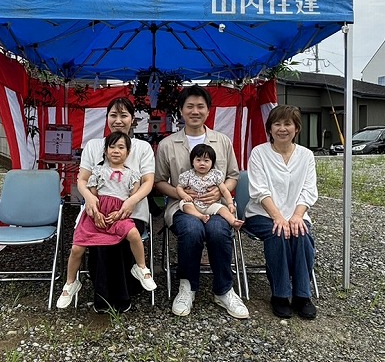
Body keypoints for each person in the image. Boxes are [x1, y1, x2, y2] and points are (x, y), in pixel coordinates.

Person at [154, 85, 249, 319]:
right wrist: (182, 195)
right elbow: (159, 182)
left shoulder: (222, 141)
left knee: (218, 230)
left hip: (216, 206)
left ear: (208, 110)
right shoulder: (168, 144)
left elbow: (233, 175)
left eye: (200, 106)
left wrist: (220, 193)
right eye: (190, 106)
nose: (195, 111)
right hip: (182, 206)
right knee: (192, 229)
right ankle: (187, 286)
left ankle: (224, 289)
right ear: (181, 110)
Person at [57, 132, 156, 309]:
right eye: (112, 147)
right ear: (105, 150)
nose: (116, 151)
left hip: (119, 214)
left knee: (133, 233)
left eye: (121, 147)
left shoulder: (132, 174)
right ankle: (70, 284)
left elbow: (132, 199)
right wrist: (96, 213)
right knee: (77, 247)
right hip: (99, 214)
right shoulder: (98, 171)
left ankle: (141, 268)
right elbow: (92, 196)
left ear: (128, 152)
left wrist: (122, 212)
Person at [77, 96, 155, 313]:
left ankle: (122, 295)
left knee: (119, 238)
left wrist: (130, 202)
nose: (118, 120)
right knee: (101, 239)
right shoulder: (94, 146)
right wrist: (90, 199)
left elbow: (148, 182)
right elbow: (82, 180)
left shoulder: (142, 147)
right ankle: (103, 297)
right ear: (107, 118)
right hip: (97, 211)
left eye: (124, 115)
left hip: (134, 211)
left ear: (133, 120)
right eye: (113, 115)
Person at [243, 105, 318, 320]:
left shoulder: (306, 155)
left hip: (296, 213)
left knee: (301, 233)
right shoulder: (259, 153)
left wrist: (295, 216)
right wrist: (278, 217)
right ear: (270, 128)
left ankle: (303, 295)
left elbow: (308, 190)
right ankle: (280, 294)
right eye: (277, 123)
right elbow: (259, 190)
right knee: (278, 232)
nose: (282, 128)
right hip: (262, 214)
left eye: (288, 124)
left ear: (296, 128)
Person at [175, 144, 244, 230]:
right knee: (185, 205)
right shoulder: (188, 175)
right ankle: (200, 216)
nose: (202, 163)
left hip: (211, 204)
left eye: (206, 160)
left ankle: (233, 221)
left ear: (212, 163)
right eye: (198, 160)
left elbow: (224, 191)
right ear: (192, 162)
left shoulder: (215, 175)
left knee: (222, 209)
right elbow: (179, 187)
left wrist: (230, 203)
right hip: (193, 203)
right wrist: (185, 196)